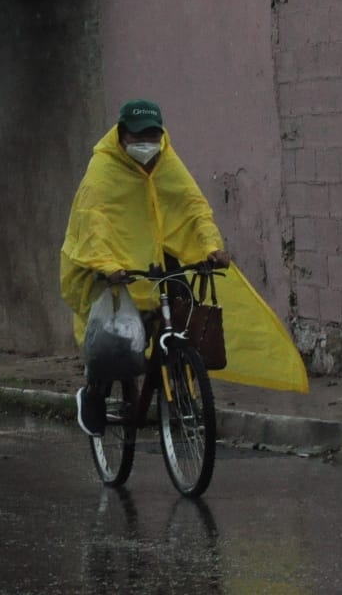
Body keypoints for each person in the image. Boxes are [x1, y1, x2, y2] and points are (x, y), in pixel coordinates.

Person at [60, 98, 308, 438]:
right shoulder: (102, 172)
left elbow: (192, 207)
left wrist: (211, 247)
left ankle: (178, 381)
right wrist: (107, 266)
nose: (146, 144)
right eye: (137, 137)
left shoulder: (166, 160)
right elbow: (91, 224)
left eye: (152, 135)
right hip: (114, 266)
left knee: (182, 312)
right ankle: (93, 394)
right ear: (121, 136)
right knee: (111, 345)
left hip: (157, 262)